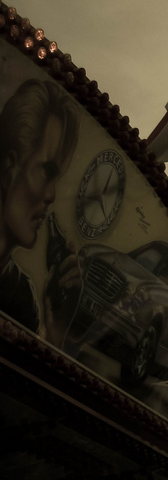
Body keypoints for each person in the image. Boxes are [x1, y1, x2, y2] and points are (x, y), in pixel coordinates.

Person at [0, 77, 79, 342]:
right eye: (47, 172)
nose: (52, 195)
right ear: (10, 166)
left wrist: (56, 329)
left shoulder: (23, 296)